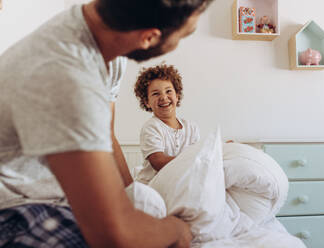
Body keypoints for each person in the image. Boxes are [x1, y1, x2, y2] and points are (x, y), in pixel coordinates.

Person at [0, 0, 214, 247]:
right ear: (148, 37)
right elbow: (116, 236)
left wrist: (133, 197)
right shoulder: (67, 79)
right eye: (186, 34)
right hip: (16, 209)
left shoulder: (106, 48)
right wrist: (177, 230)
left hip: (56, 198)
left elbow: (106, 135)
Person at [133, 64, 200, 184]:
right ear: (147, 102)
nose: (163, 97)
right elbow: (159, 162)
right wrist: (193, 159)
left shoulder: (191, 127)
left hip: (177, 183)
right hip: (151, 185)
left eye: (168, 91)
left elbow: (198, 153)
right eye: (155, 94)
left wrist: (221, 149)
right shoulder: (151, 127)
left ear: (177, 96)